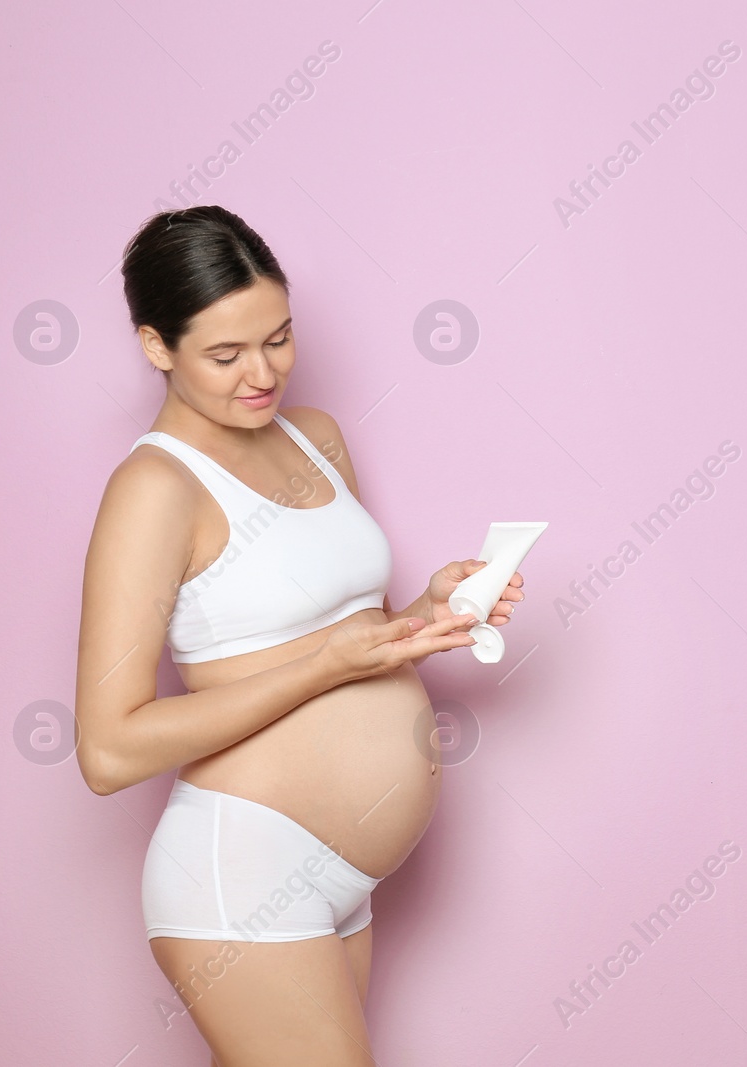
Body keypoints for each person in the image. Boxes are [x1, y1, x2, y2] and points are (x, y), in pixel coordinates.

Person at [73, 204, 522, 1065]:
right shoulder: (154, 489)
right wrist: (325, 663)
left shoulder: (315, 439)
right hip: (245, 871)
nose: (262, 372)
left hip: (340, 881)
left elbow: (338, 638)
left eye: (278, 337)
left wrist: (425, 614)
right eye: (226, 353)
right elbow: (108, 750)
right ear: (155, 346)